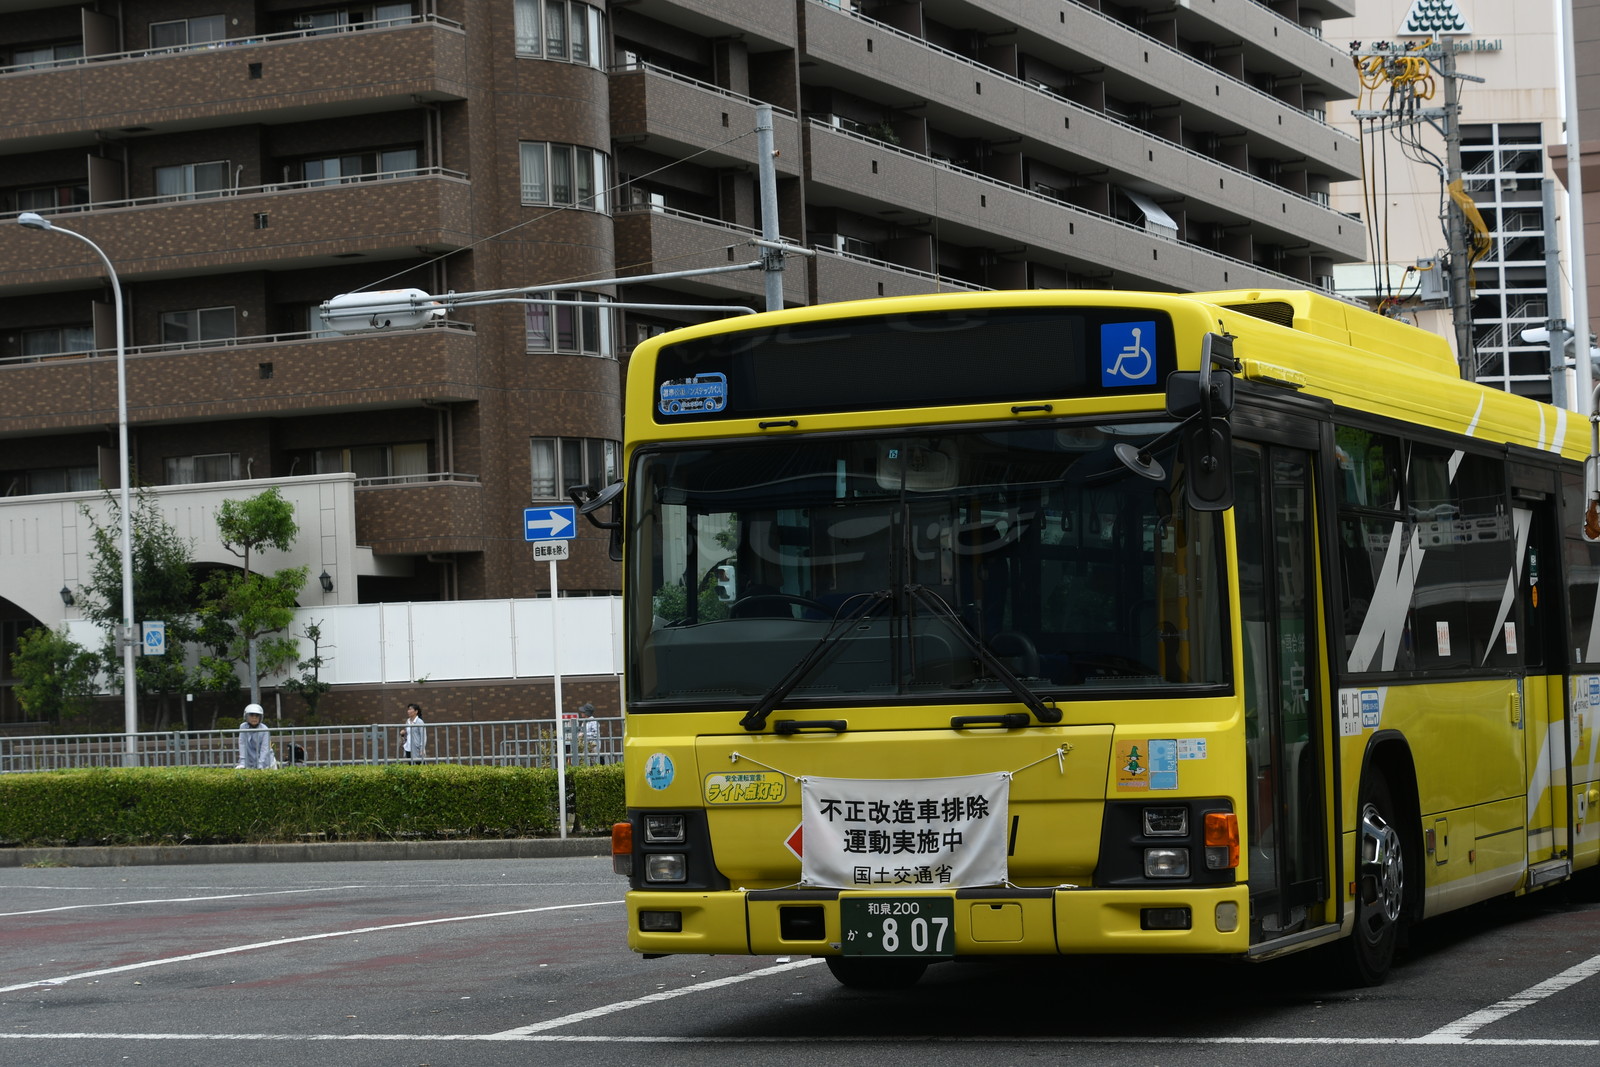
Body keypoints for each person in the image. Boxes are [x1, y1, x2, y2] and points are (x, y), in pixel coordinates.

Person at [236, 703, 275, 770]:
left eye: (257, 715)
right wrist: (242, 762)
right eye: (251, 715)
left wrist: (260, 764)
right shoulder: (243, 727)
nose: (254, 718)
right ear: (246, 716)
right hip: (250, 762)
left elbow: (265, 748)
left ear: (260, 717)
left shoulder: (265, 729)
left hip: (266, 763)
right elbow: (242, 744)